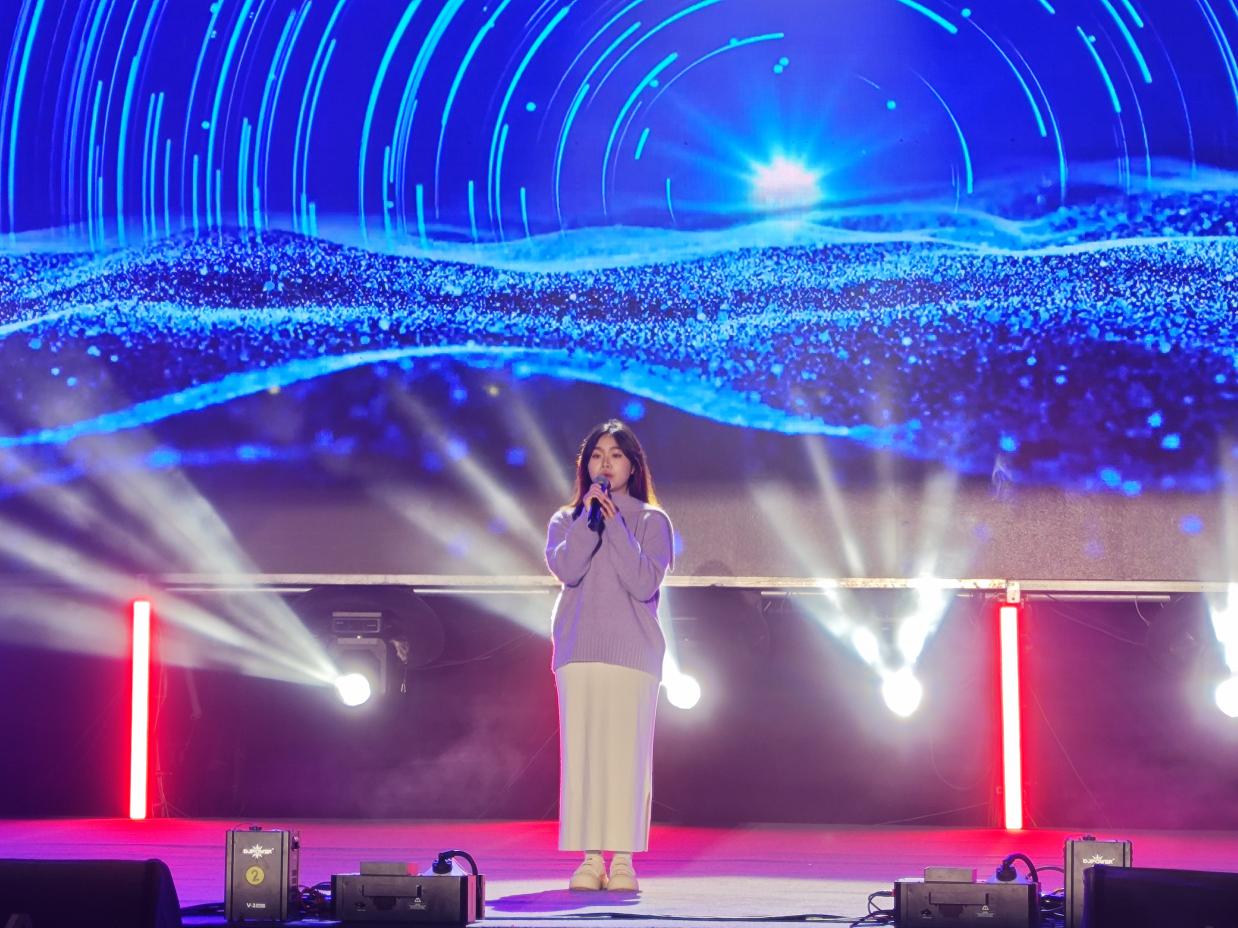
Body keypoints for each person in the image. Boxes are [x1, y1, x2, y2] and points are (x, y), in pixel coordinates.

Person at [544, 419, 674, 892]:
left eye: (616, 455)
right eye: (597, 455)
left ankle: (622, 860)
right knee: (584, 756)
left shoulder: (652, 521)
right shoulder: (566, 520)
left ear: (633, 466)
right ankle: (589, 857)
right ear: (586, 466)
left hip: (632, 652)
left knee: (625, 758)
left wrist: (615, 524)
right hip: (579, 649)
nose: (606, 463)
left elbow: (642, 582)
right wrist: (589, 518)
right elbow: (568, 569)